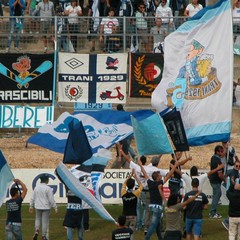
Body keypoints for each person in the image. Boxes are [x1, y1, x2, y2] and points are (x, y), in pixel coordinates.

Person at [138, 158, 181, 240]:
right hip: (157, 206)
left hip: (151, 205)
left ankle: (160, 238)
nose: (161, 176)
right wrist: (175, 166)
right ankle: (147, 238)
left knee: (157, 223)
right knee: (154, 223)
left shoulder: (150, 183)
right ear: (157, 178)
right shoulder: (160, 183)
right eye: (160, 175)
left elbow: (144, 173)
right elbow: (169, 175)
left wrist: (140, 165)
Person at [29, 174, 58, 240]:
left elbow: (32, 197)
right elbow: (51, 199)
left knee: (37, 219)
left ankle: (36, 231)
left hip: (38, 206)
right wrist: (55, 207)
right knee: (45, 222)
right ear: (46, 180)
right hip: (46, 207)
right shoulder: (48, 188)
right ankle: (43, 236)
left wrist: (31, 206)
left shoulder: (36, 188)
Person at [121, 169, 143, 238]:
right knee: (131, 233)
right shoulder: (135, 193)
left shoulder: (123, 192)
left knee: (124, 234)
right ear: (133, 186)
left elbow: (124, 183)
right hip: (133, 215)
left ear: (127, 185)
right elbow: (141, 186)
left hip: (125, 215)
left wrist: (130, 176)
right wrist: (135, 177)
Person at [208, 145, 225, 219]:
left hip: (213, 180)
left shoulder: (213, 158)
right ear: (217, 152)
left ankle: (213, 211)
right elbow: (220, 174)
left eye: (222, 151)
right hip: (215, 180)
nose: (222, 153)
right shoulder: (218, 160)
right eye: (220, 151)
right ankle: (212, 212)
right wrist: (224, 180)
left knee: (217, 194)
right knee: (216, 195)